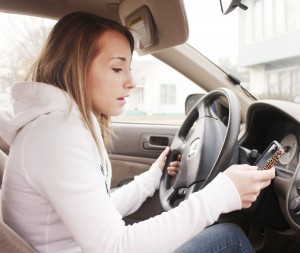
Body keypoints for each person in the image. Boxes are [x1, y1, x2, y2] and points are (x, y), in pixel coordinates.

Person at [0, 11, 275, 253]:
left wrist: (151, 179)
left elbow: (98, 213)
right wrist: (221, 195)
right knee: (229, 238)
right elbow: (115, 246)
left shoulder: (55, 127)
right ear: (75, 69)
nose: (131, 82)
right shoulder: (57, 136)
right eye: (117, 68)